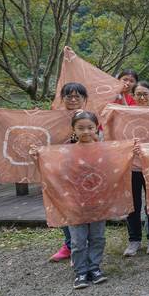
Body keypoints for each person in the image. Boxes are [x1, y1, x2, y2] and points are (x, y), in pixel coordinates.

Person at [32, 110, 109, 289]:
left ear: (96, 128)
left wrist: (130, 151)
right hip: (74, 202)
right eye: (81, 128)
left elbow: (115, 165)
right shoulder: (65, 150)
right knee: (78, 240)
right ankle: (81, 272)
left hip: (97, 201)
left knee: (98, 237)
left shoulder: (105, 149)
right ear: (73, 129)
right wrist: (38, 157)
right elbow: (53, 170)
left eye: (90, 127)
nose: (86, 131)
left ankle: (95, 268)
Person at [49, 82, 92, 263]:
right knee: (64, 206)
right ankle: (69, 244)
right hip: (60, 170)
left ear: (84, 99)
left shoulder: (90, 118)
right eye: (69, 96)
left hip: (85, 171)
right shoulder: (53, 119)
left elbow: (99, 142)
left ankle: (85, 244)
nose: (73, 99)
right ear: (62, 98)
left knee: (86, 208)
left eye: (77, 96)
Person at [122, 81, 149, 257]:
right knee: (132, 205)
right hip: (131, 166)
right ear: (133, 96)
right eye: (138, 94)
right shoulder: (125, 113)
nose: (142, 97)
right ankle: (134, 240)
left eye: (145, 94)